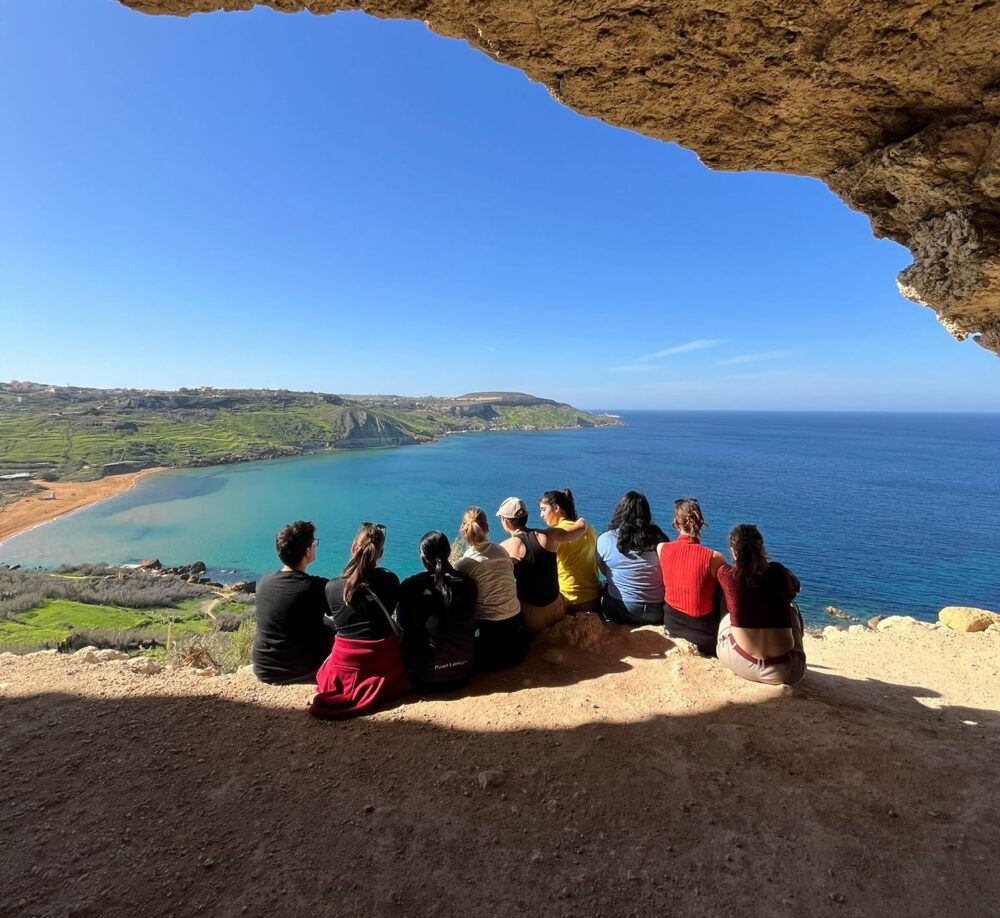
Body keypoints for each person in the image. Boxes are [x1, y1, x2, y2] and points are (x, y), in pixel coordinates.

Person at [309, 522, 408, 719]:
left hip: (345, 667)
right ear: (380, 554)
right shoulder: (391, 581)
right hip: (383, 666)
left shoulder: (332, 587)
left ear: (353, 548)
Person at [716, 524, 806, 685]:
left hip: (742, 663)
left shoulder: (727, 576)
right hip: (787, 671)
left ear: (733, 551)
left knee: (727, 614)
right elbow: (795, 588)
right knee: (792, 609)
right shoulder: (778, 572)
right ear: (761, 547)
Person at [397, 530, 477, 691]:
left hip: (425, 679)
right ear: (449, 552)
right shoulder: (469, 583)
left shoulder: (412, 585)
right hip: (465, 672)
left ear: (423, 559)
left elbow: (403, 626)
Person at [252, 520, 330, 685]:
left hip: (264, 669)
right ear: (307, 551)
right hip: (302, 670)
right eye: (314, 543)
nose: (315, 546)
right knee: (333, 627)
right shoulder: (316, 587)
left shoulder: (264, 581)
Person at [496, 496, 588, 634]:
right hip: (557, 609)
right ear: (526, 516)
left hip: (531, 617)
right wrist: (582, 520)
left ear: (506, 523)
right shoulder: (548, 535)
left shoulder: (504, 548)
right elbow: (580, 528)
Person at [454, 507, 530, 671]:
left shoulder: (463, 564)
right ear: (487, 528)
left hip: (490, 647)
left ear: (462, 531)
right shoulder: (502, 551)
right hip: (519, 642)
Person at [657, 498, 726, 655]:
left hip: (671, 625)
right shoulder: (715, 557)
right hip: (704, 636)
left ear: (675, 523)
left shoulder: (662, 548)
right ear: (701, 523)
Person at [596, 491, 670, 625]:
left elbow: (603, 569)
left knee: (603, 587)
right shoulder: (660, 539)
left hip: (619, 611)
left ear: (620, 511)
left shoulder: (605, 539)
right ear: (647, 514)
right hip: (656, 612)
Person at [538, 488, 600, 613]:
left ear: (556, 508)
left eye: (544, 510)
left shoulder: (554, 535)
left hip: (569, 600)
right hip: (594, 599)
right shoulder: (590, 529)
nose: (541, 515)